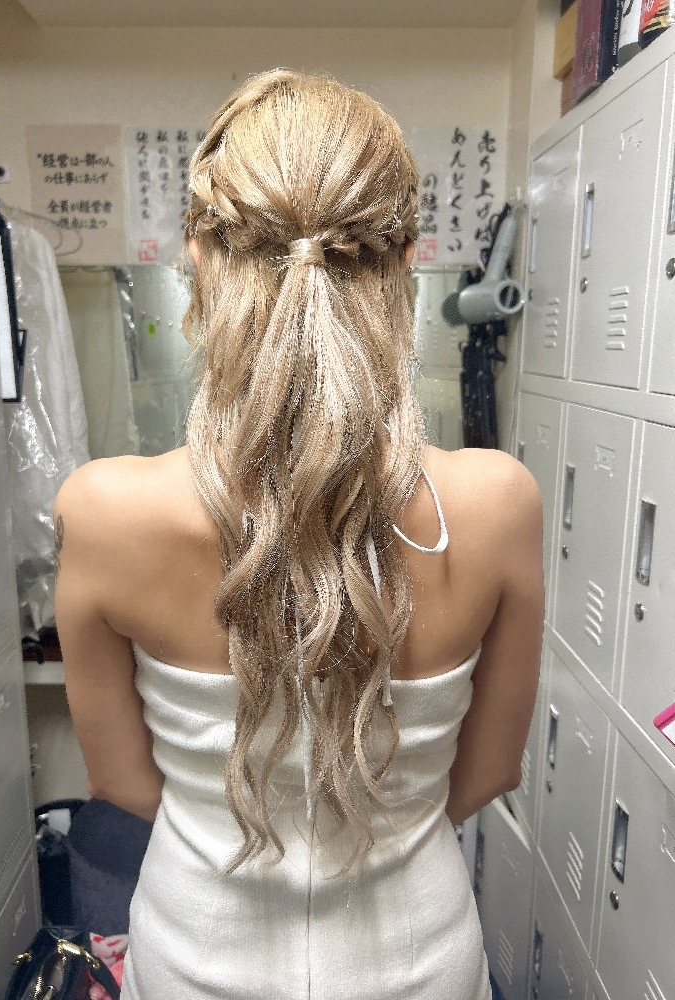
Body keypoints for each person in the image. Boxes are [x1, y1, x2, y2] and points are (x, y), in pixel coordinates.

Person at [54, 69, 544, 1000]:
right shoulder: (498, 502)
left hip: (198, 954)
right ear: (406, 260)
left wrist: (239, 822)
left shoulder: (105, 509)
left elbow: (121, 783)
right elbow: (487, 773)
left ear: (198, 252)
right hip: (421, 959)